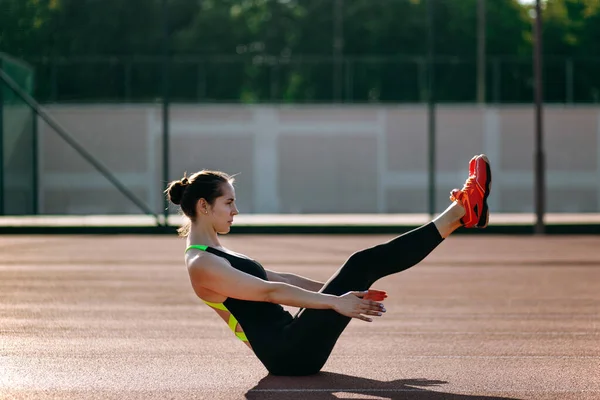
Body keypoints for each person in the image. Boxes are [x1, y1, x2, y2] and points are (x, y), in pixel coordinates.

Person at [166, 154, 492, 376]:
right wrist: (335, 300)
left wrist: (338, 288)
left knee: (358, 266)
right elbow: (269, 292)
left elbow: (277, 277)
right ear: (204, 206)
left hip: (292, 341)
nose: (235, 210)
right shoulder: (200, 263)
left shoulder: (217, 252)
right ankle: (462, 211)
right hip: (288, 354)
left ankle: (464, 213)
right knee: (360, 262)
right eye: (229, 202)